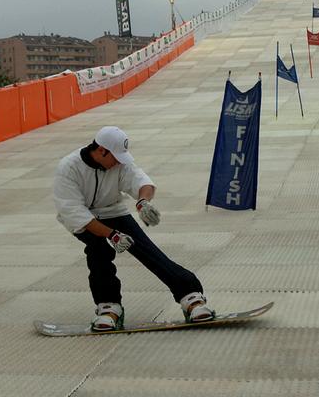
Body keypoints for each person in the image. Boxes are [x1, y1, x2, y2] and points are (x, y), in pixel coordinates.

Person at [53, 126, 214, 331]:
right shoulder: (68, 168)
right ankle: (109, 308)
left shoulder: (120, 162)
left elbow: (140, 181)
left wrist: (143, 202)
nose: (120, 161)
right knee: (99, 251)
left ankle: (190, 297)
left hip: (113, 210)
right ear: (102, 150)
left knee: (146, 250)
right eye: (116, 157)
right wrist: (112, 235)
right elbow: (74, 212)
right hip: (83, 219)